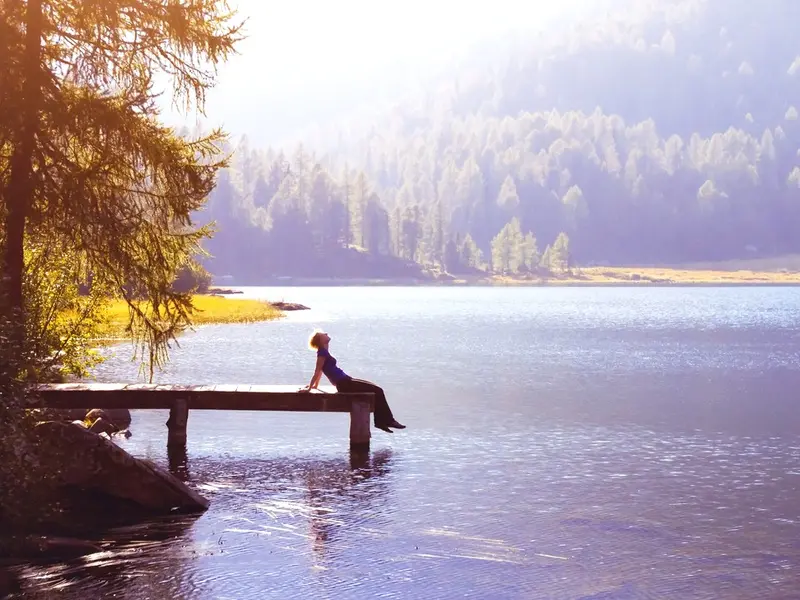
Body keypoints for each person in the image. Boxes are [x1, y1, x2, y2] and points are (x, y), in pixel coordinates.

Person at [300, 330, 406, 434]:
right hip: (344, 384)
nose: (326, 333)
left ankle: (382, 421)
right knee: (378, 391)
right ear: (320, 340)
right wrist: (309, 388)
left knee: (376, 389)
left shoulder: (324, 350)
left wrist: (315, 386)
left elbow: (321, 370)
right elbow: (318, 370)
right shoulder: (322, 353)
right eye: (323, 334)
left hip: (346, 380)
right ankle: (387, 421)